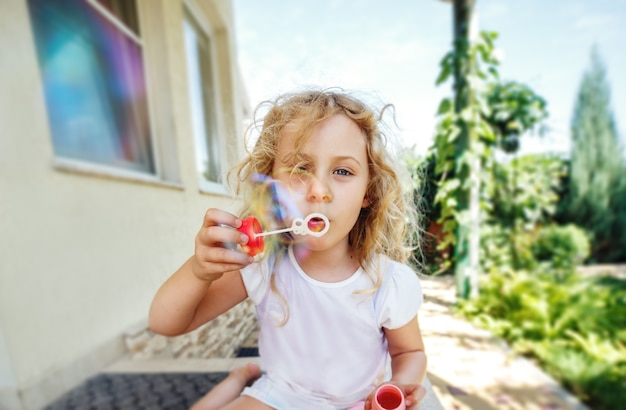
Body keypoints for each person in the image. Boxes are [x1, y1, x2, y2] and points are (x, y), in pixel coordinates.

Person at [149, 89, 428, 410]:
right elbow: (166, 324)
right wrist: (198, 271)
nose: (319, 191)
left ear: (368, 191)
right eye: (300, 168)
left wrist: (400, 386)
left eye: (343, 172)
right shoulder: (261, 265)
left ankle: (237, 381)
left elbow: (409, 353)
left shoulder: (387, 282)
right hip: (279, 397)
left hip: (358, 403)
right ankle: (239, 382)